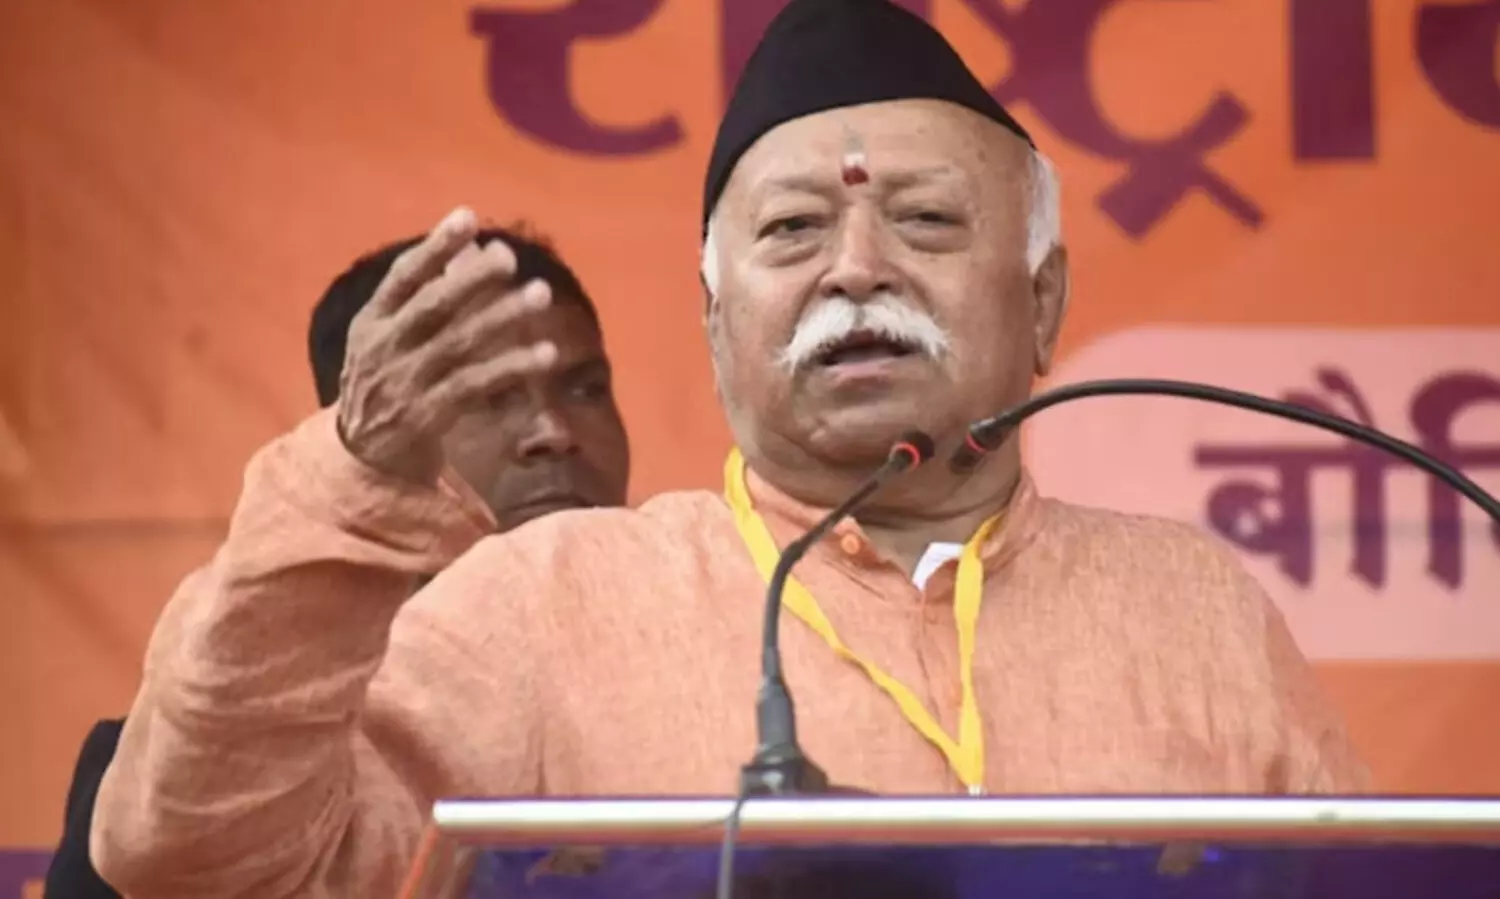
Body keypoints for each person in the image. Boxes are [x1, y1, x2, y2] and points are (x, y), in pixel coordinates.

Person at [90, 2, 1368, 897]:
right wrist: (353, 480)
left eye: (926, 220)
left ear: (1041, 303)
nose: (856, 268)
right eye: (793, 230)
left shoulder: (1192, 610)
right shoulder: (546, 603)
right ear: (715, 327)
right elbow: (199, 860)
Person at [42, 226, 628, 899]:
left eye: (586, 389)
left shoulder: (699, 697)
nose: (553, 431)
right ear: (369, 434)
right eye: (488, 397)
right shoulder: (188, 800)